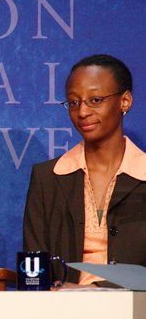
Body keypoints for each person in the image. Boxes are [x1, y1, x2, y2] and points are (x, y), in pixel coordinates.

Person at [24, 54, 146, 287]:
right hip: (62, 313)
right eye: (74, 102)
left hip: (137, 311)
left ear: (125, 101)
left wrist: (96, 291)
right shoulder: (47, 178)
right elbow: (34, 268)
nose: (82, 112)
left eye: (96, 100)